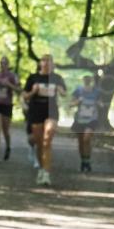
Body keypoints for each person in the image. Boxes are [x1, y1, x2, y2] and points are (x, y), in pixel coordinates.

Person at [22, 53, 67, 186]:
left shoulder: (57, 78)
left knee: (47, 140)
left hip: (51, 111)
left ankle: (46, 174)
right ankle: (41, 169)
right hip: (36, 111)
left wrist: (60, 90)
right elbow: (25, 96)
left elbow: (64, 94)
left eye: (49, 60)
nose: (46, 63)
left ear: (52, 63)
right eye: (44, 60)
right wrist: (33, 92)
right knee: (40, 143)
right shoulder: (33, 77)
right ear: (40, 63)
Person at [0, 56, 21, 162]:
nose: (2, 65)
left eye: (4, 63)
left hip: (7, 105)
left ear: (8, 65)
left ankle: (8, 147)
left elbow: (19, 89)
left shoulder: (12, 76)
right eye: (1, 63)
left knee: (5, 130)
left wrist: (9, 85)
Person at [71, 74, 102, 172]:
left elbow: (101, 103)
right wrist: (77, 102)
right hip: (80, 120)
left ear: (92, 80)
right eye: (86, 79)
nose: (87, 80)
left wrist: (99, 104)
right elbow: (70, 104)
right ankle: (83, 161)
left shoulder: (97, 91)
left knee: (86, 138)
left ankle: (87, 160)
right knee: (81, 142)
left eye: (89, 79)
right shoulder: (78, 90)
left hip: (92, 120)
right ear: (83, 80)